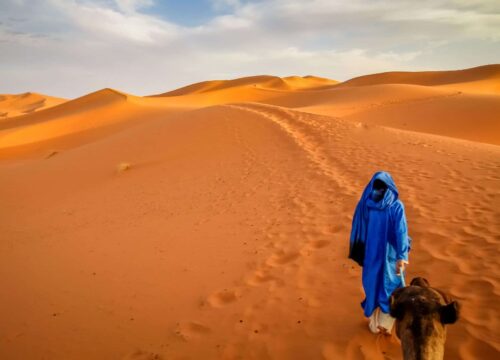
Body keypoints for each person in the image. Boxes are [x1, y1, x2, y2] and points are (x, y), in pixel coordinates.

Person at [348, 171, 411, 334]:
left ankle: (382, 326)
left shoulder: (368, 204)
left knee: (384, 288)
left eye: (380, 187)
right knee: (378, 288)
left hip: (382, 256)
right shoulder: (379, 205)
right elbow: (401, 232)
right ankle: (379, 325)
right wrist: (402, 256)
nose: (378, 191)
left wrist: (401, 257)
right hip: (377, 256)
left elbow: (400, 232)